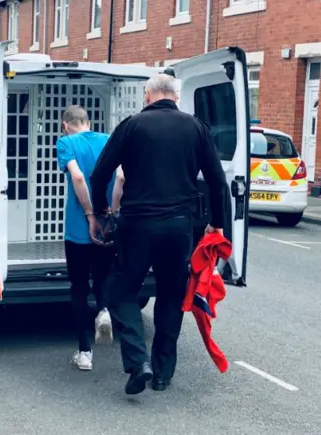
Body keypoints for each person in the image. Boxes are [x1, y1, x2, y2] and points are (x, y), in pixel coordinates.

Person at [90, 74, 228, 394]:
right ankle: (163, 372)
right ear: (177, 97)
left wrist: (100, 212)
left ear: (147, 94)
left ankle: (139, 362)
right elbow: (218, 182)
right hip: (179, 227)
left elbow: (100, 174)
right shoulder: (197, 128)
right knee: (170, 294)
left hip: (136, 224)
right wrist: (217, 223)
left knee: (121, 291)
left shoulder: (132, 125)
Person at [56, 105, 119, 371]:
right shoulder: (109, 140)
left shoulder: (66, 142)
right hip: (108, 226)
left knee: (79, 288)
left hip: (78, 230)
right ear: (88, 121)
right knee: (102, 278)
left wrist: (90, 214)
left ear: (65, 124)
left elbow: (78, 176)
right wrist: (112, 213)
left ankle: (84, 353)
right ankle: (103, 310)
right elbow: (123, 177)